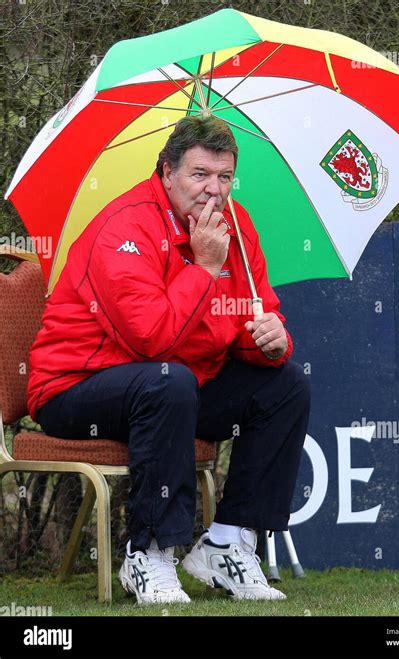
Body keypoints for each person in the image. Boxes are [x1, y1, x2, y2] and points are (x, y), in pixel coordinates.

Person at [27, 115, 311, 604]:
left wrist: (269, 340)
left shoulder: (237, 226)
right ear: (166, 171)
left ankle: (227, 542)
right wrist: (204, 268)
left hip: (175, 388)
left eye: (224, 177)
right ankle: (149, 554)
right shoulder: (124, 227)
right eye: (199, 175)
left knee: (285, 384)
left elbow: (248, 320)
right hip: (74, 388)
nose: (213, 191)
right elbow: (152, 339)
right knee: (168, 379)